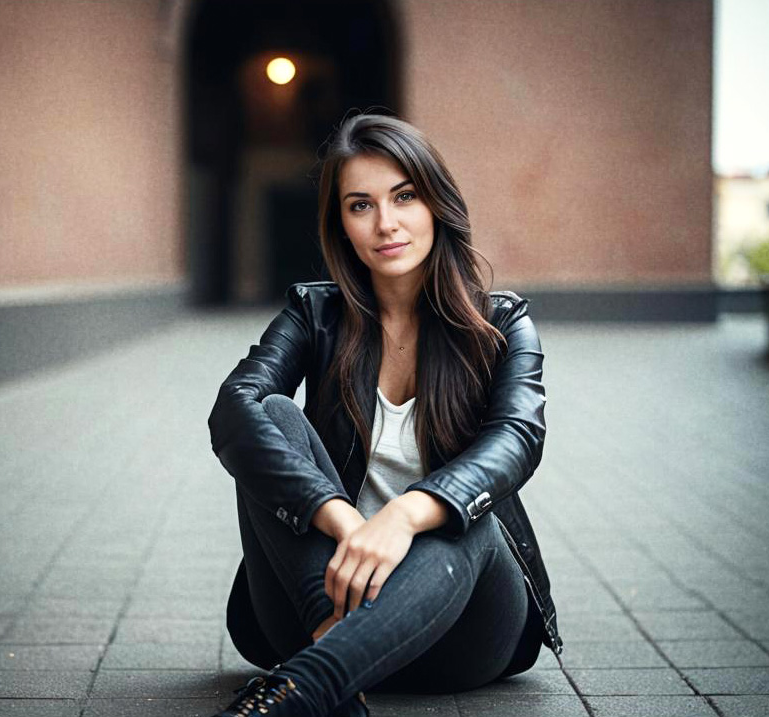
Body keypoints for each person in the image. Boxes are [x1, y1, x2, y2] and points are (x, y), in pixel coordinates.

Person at [207, 113, 562, 717]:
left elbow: (517, 437)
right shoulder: (313, 314)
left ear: (436, 204)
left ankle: (314, 681)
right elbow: (232, 411)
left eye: (404, 197)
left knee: (464, 510)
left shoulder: (501, 323)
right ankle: (330, 662)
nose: (386, 223)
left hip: (460, 627)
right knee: (268, 414)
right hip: (324, 598)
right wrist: (345, 520)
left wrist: (402, 516)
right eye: (360, 205)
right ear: (341, 225)